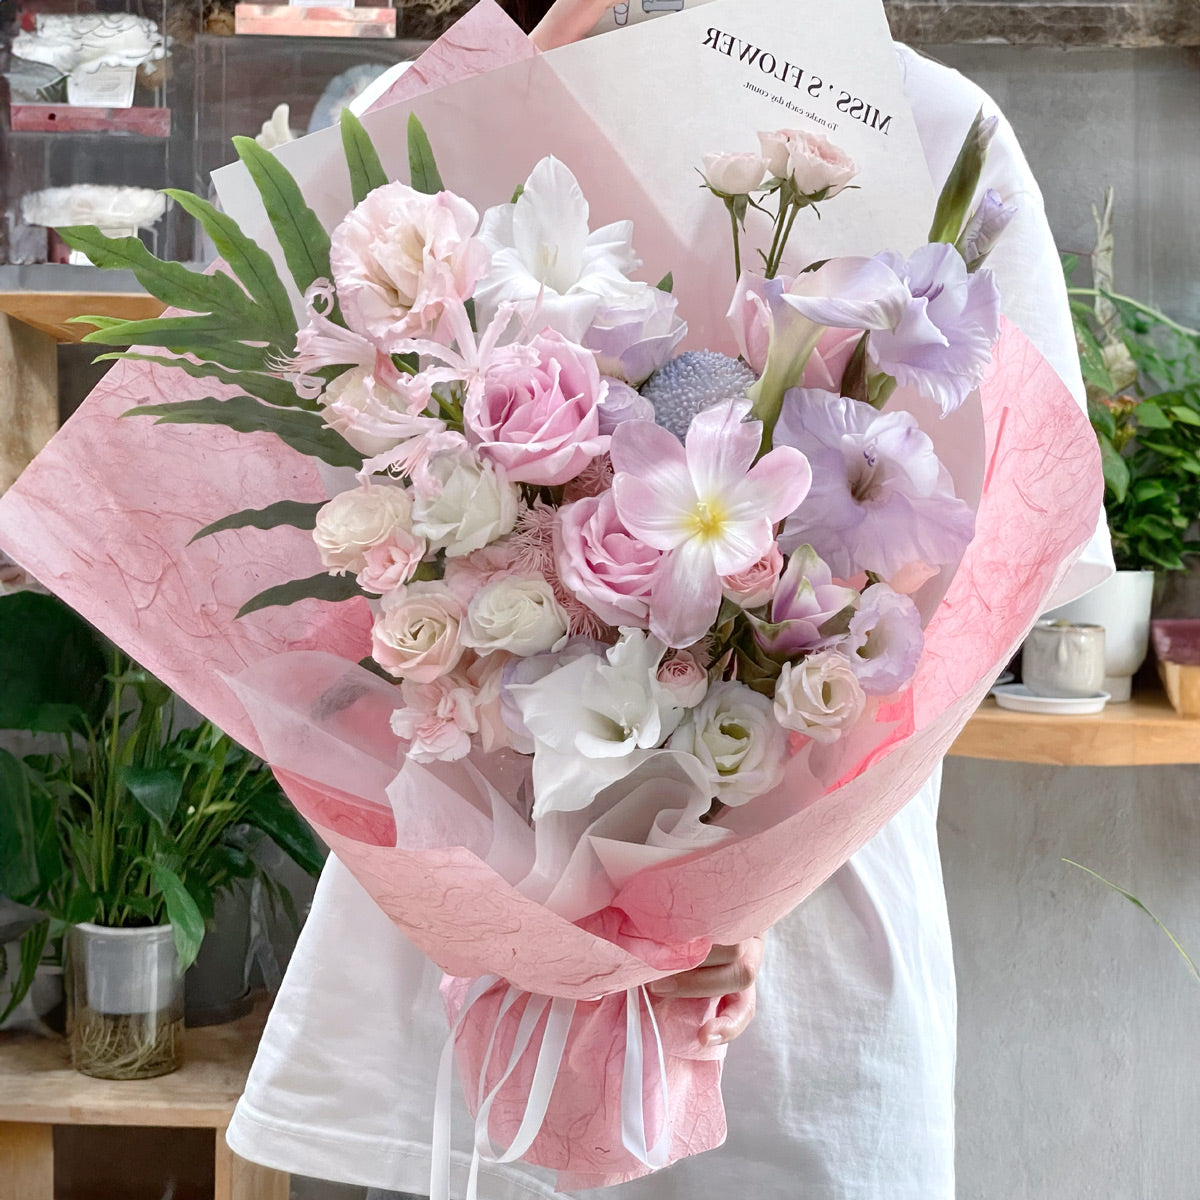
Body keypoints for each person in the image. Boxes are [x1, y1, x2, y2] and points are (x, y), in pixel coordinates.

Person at [224, 3, 1113, 1197]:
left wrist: (738, 894)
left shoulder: (929, 128)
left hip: (800, 939)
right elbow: (335, 522)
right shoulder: (441, 134)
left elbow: (998, 570)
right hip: (485, 920)